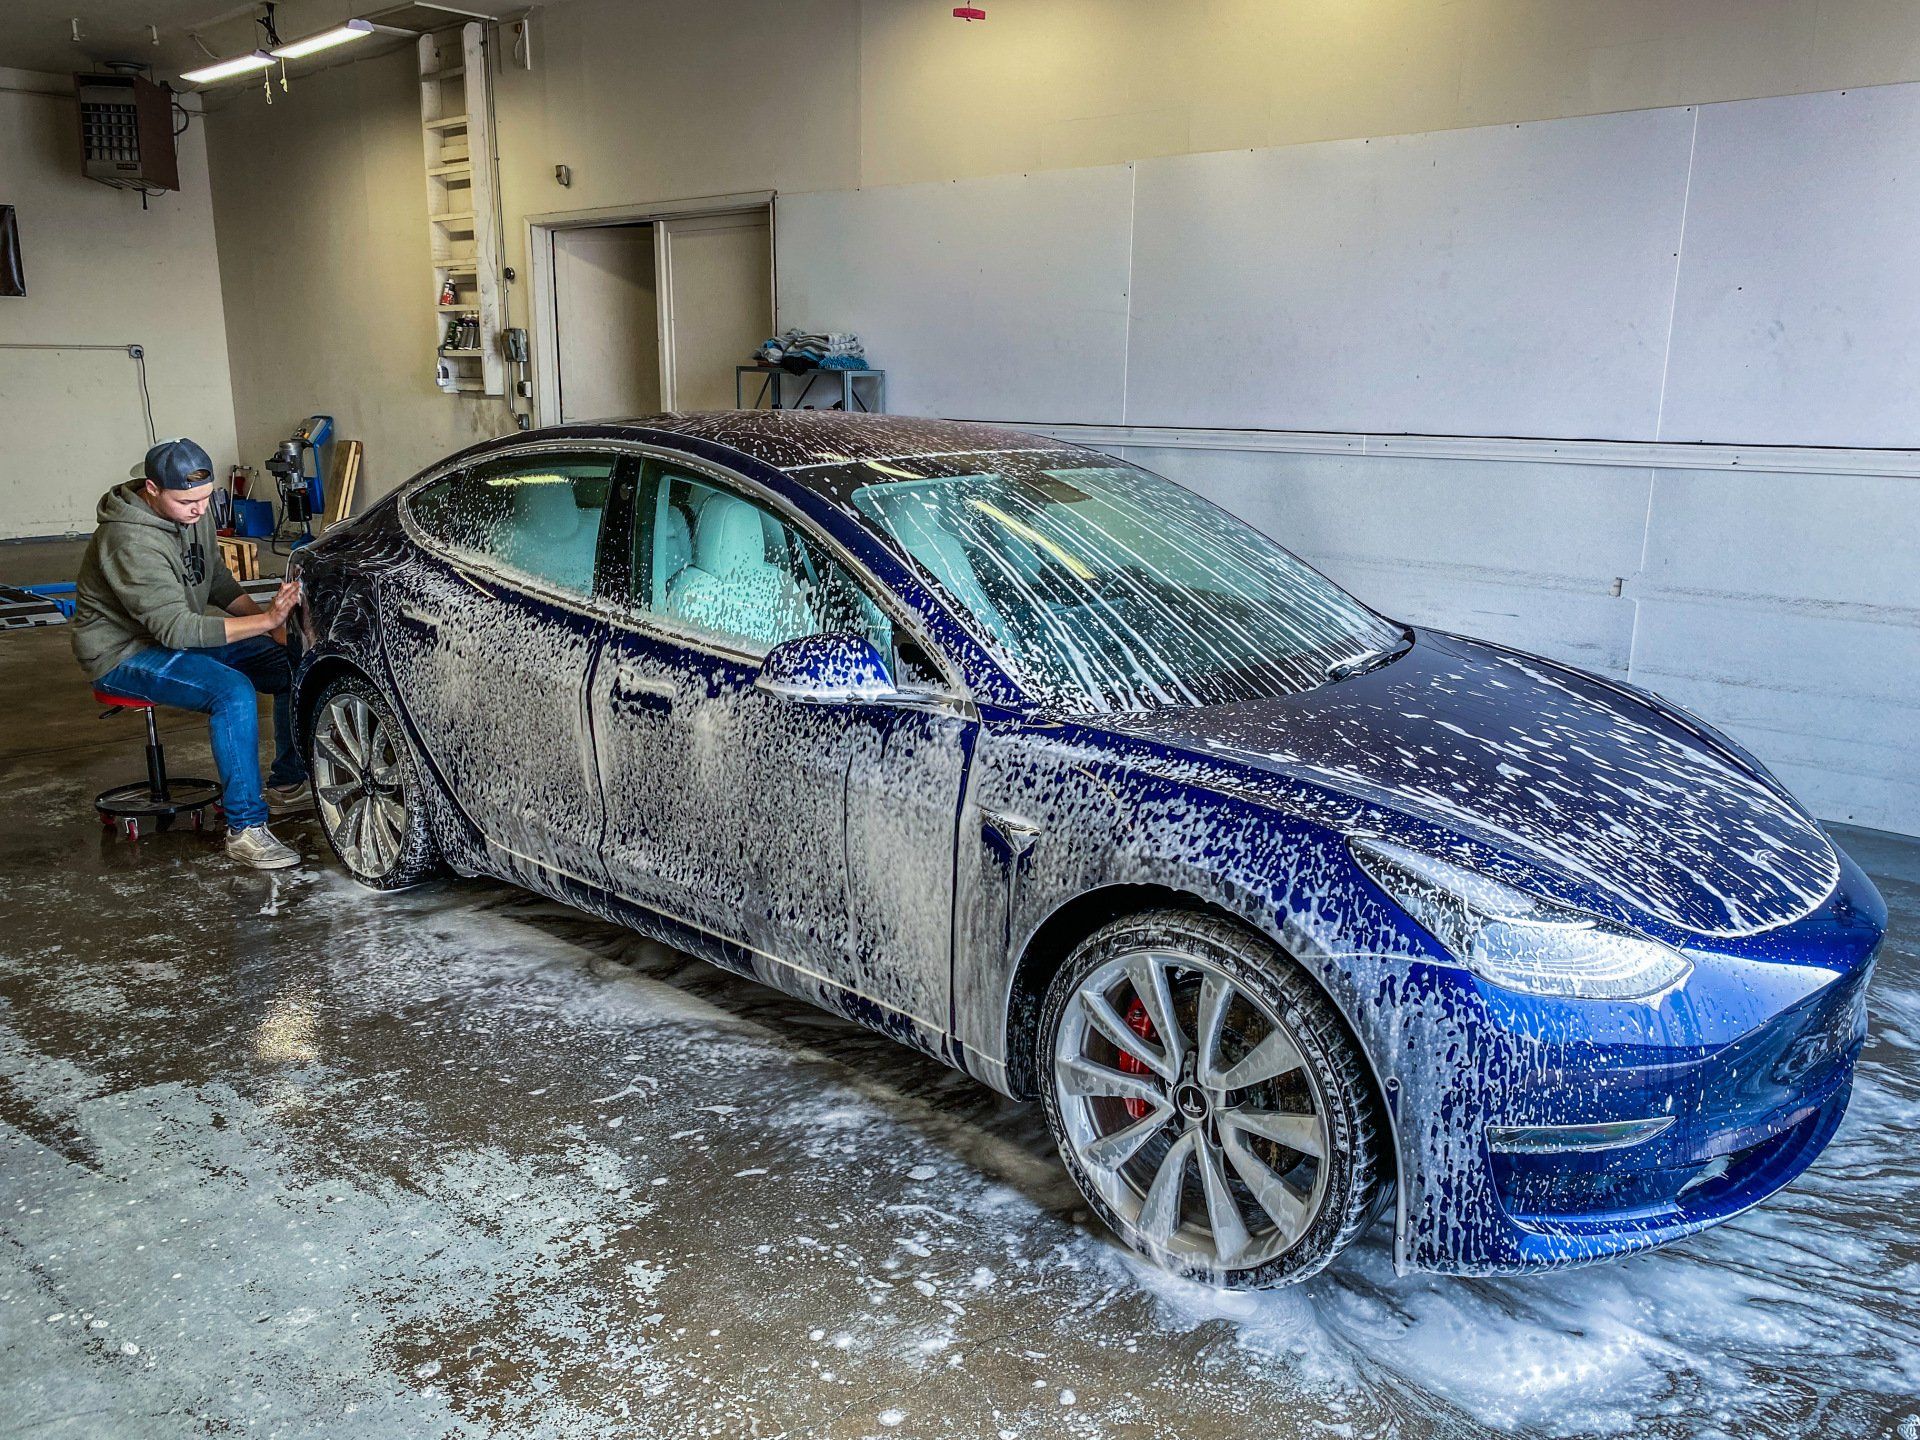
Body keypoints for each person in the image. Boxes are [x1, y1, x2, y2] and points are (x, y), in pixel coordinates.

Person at [71, 438, 309, 870]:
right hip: (123, 654)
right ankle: (246, 830)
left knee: (290, 665)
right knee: (231, 691)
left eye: (206, 498)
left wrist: (271, 631)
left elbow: (215, 579)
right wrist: (268, 621)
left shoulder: (193, 514)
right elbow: (176, 629)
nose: (199, 510)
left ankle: (288, 785)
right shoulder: (129, 539)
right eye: (187, 501)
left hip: (176, 637)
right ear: (152, 489)